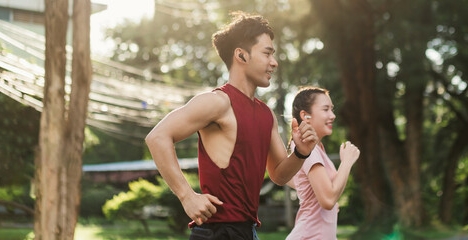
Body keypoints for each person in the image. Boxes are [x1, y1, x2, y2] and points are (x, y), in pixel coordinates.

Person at [145, 12, 319, 240]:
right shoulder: (217, 102)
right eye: (267, 53)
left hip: (247, 232)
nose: (274, 62)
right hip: (217, 232)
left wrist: (300, 152)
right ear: (241, 55)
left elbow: (278, 174)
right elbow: (157, 137)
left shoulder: (266, 114)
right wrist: (187, 196)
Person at [285, 87, 360, 240]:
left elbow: (299, 181)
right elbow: (327, 200)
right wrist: (346, 162)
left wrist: (322, 203)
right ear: (305, 116)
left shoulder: (315, 148)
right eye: (325, 109)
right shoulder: (308, 147)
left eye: (332, 110)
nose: (332, 115)